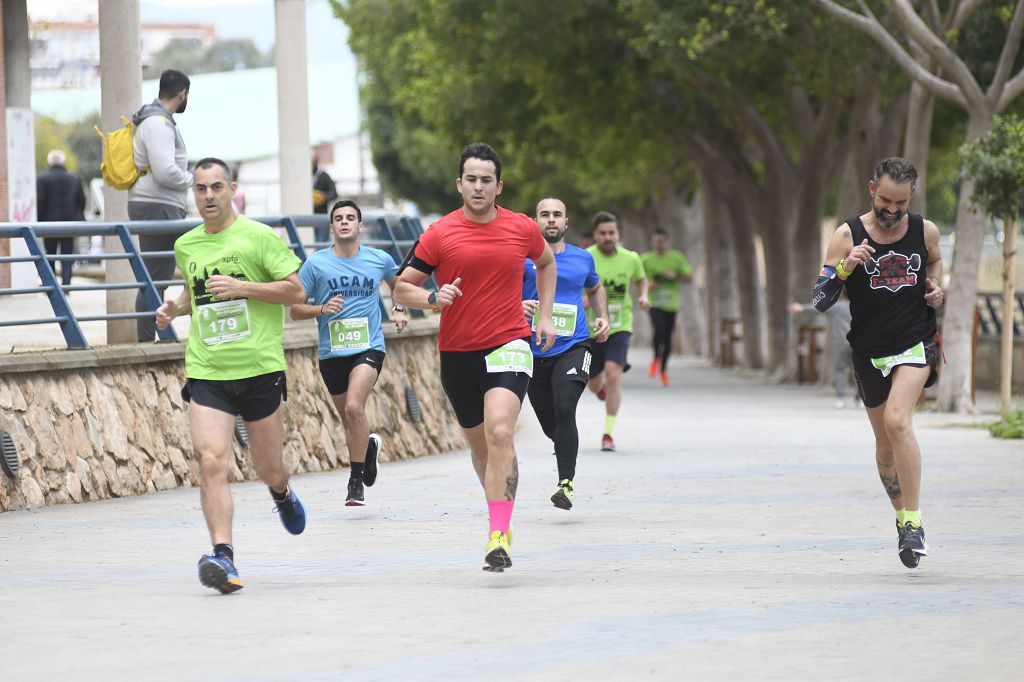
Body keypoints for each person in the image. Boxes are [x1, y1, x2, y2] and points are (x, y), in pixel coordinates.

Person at [394, 142, 556, 571]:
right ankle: (500, 505)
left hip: (509, 342)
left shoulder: (522, 227)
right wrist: (432, 297)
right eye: (472, 179)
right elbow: (402, 286)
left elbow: (546, 263)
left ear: (499, 185)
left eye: (487, 180)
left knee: (501, 432)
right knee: (482, 447)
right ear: (459, 184)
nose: (479, 186)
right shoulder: (438, 234)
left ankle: (498, 533)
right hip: (458, 351)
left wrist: (543, 314)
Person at [155, 158, 308, 593]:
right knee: (210, 459)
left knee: (268, 466)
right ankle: (223, 555)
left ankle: (281, 493)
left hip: (260, 367)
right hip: (208, 369)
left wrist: (244, 288)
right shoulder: (186, 245)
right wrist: (174, 308)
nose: (207, 196)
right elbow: (195, 293)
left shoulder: (259, 238)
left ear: (232, 189)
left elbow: (296, 291)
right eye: (200, 189)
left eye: (216, 187)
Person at [812, 156, 942, 570]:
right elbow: (819, 300)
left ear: (912, 197)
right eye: (885, 200)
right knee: (885, 450)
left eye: (900, 203)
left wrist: (938, 286)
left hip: (915, 342)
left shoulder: (926, 231)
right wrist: (844, 269)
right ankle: (902, 518)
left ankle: (915, 522)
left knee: (898, 421)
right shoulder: (846, 235)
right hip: (869, 351)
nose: (892, 209)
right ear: (872, 190)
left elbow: (936, 264)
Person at [291, 199, 408, 506]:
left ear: (360, 226)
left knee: (355, 408)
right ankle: (368, 450)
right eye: (338, 218)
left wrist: (398, 310)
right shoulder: (316, 264)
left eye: (350, 218)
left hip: (369, 347)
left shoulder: (379, 259)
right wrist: (320, 308)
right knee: (349, 417)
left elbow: (401, 286)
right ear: (331, 227)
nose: (344, 222)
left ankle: (355, 483)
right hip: (332, 353)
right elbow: (294, 310)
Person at [522, 197, 609, 510]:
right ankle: (566, 449)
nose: (551, 220)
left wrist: (604, 317)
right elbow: (501, 293)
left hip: (574, 345)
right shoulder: (521, 260)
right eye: (544, 215)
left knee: (565, 406)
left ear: (566, 222)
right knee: (551, 426)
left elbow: (595, 288)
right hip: (534, 352)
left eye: (557, 214)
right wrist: (518, 306)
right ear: (536, 221)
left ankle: (565, 482)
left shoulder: (582, 258)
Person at [131, 69, 194, 342]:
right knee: (155, 278)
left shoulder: (159, 121)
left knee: (159, 276)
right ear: (182, 93)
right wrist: (197, 180)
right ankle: (148, 339)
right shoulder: (158, 123)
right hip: (157, 206)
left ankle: (156, 335)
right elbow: (165, 171)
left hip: (161, 205)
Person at [585, 212, 649, 452]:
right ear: (595, 235)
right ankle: (600, 388)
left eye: (612, 233)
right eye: (603, 233)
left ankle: (608, 434)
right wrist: (582, 299)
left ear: (618, 234)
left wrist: (643, 295)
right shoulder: (586, 257)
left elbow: (641, 280)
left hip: (620, 326)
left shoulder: (631, 258)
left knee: (613, 375)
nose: (608, 237)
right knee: (593, 384)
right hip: (591, 330)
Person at [641, 228, 693, 387]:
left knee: (668, 337)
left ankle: (663, 370)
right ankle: (656, 357)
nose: (659, 244)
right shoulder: (645, 259)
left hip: (671, 304)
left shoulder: (676, 258)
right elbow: (638, 279)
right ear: (652, 242)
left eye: (662, 241)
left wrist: (675, 276)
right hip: (654, 303)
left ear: (667, 242)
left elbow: (689, 277)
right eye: (656, 241)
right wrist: (650, 284)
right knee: (659, 329)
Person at [788, 295, 857, 408]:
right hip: (857, 343)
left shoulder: (837, 306)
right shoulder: (858, 305)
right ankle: (859, 399)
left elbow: (820, 307)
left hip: (842, 342)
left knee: (840, 369)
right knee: (856, 371)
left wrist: (802, 307)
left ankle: (840, 398)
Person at [36, 149, 86, 287]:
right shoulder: (74, 178)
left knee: (50, 256)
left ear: (49, 161)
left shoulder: (42, 178)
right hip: (69, 223)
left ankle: (52, 285)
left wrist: (39, 220)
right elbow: (81, 201)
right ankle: (66, 284)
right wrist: (78, 216)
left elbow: (40, 201)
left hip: (48, 223)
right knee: (67, 255)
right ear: (63, 161)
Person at [312, 153, 338, 245]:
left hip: (321, 216)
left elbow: (334, 193)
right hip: (306, 215)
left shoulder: (324, 176)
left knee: (321, 243)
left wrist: (322, 197)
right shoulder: (302, 177)